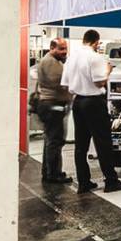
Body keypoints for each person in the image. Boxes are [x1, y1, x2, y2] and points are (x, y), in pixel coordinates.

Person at [61, 29, 121, 193]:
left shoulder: (71, 58)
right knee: (103, 143)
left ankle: (84, 182)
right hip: (94, 102)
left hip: (78, 102)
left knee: (81, 145)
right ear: (96, 42)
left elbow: (65, 84)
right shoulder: (95, 57)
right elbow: (99, 82)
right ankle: (111, 181)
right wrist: (108, 70)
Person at [36, 38, 72, 184]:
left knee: (50, 140)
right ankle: (54, 174)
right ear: (52, 48)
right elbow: (61, 84)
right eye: (61, 48)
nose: (64, 51)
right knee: (55, 141)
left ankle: (49, 172)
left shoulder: (51, 60)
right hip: (53, 105)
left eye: (65, 48)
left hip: (49, 104)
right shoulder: (51, 62)